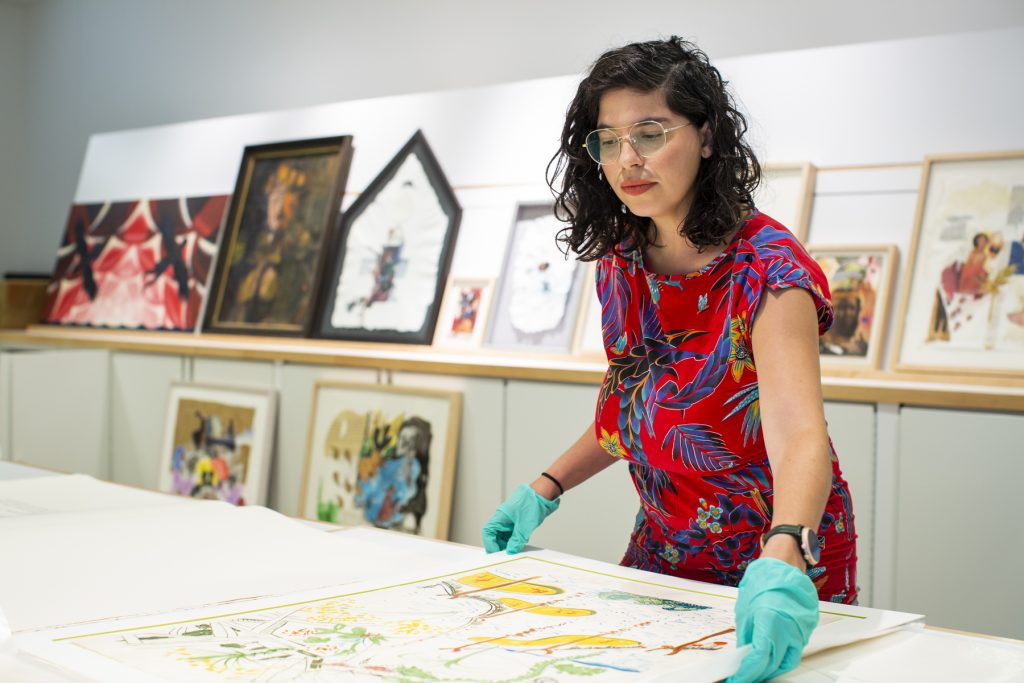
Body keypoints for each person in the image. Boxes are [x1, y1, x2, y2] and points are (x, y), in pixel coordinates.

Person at [482, 37, 857, 683]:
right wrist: (546, 485)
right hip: (664, 539)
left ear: (707, 137)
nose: (627, 159)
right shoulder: (622, 257)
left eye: (650, 133)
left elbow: (800, 433)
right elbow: (635, 409)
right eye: (608, 139)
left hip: (777, 553)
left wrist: (785, 546)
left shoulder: (768, 270)